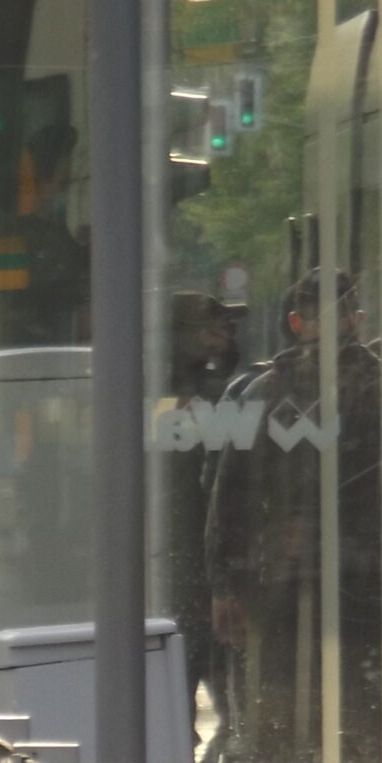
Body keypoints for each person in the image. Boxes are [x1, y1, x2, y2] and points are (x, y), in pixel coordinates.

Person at [205, 270, 382, 763]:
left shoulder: (262, 394)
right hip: (363, 588)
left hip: (291, 591)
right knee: (361, 729)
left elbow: (228, 496)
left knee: (288, 728)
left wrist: (225, 582)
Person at [159, 293, 243, 738]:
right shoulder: (180, 401)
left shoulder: (219, 394)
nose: (222, 339)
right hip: (187, 552)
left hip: (208, 551)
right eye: (212, 331)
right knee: (191, 663)